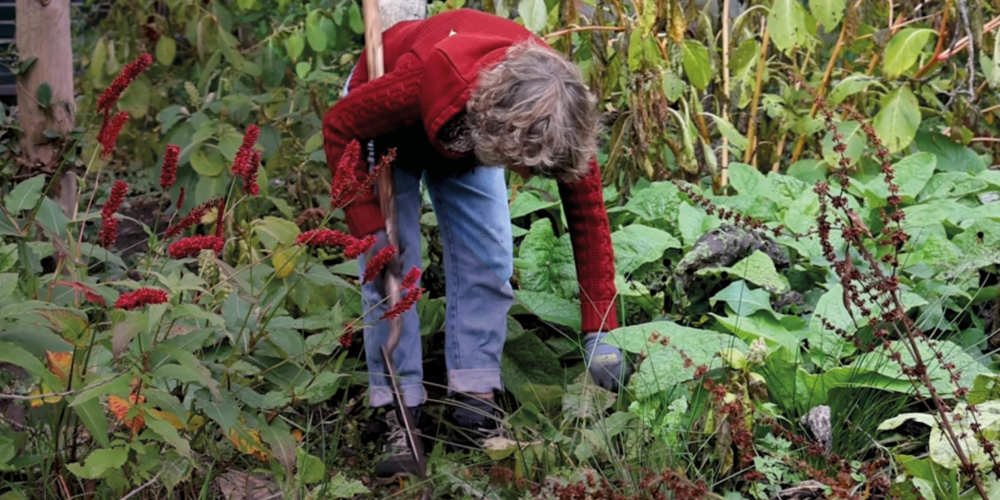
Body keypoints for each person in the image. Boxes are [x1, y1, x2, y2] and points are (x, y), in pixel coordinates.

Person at [322, 8, 628, 478]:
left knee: (489, 261)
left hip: (477, 126)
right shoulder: (421, 81)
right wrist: (369, 230)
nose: (525, 178)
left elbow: (588, 220)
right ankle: (398, 412)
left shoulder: (557, 111)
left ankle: (473, 404)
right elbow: (340, 126)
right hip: (393, 118)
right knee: (391, 269)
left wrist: (599, 328)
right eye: (522, 167)